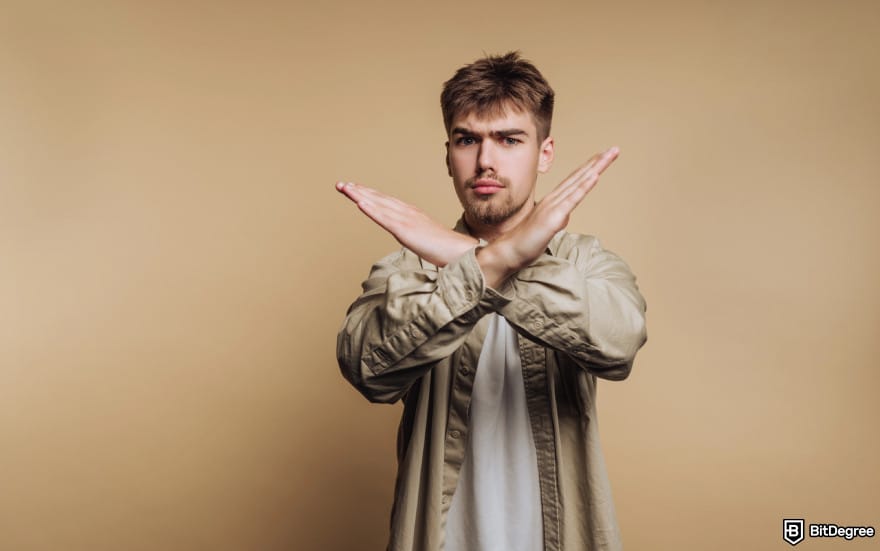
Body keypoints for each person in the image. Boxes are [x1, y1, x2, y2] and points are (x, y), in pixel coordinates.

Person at [335, 51, 647, 551]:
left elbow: (619, 343)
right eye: (468, 140)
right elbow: (365, 368)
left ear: (544, 154)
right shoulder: (408, 268)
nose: (485, 160)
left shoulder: (587, 262)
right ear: (448, 154)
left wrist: (472, 258)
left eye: (508, 139)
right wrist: (492, 262)